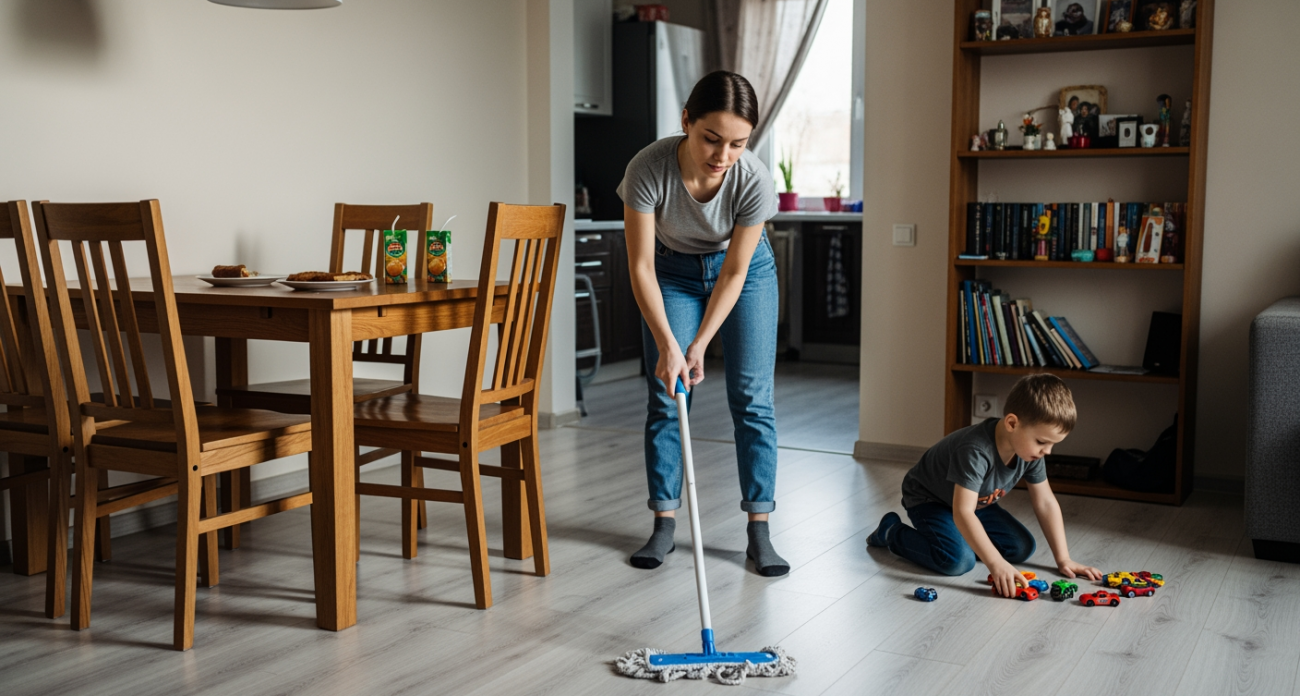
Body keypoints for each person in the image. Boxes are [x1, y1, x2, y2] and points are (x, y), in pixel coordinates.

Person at [617, 71, 787, 576]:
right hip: (669, 271)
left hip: (746, 274)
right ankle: (664, 524)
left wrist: (700, 344)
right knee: (668, 394)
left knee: (752, 399)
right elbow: (640, 266)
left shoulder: (753, 179)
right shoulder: (648, 169)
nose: (723, 156)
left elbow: (734, 272)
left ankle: (759, 531)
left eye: (738, 143)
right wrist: (670, 344)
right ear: (686, 121)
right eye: (712, 138)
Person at [866, 374, 1102, 597]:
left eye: (1052, 444)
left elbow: (1046, 502)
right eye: (1042, 442)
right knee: (958, 561)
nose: (1047, 451)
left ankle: (961, 537)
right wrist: (995, 563)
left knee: (1021, 547)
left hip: (973, 504)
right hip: (930, 500)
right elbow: (962, 512)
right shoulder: (975, 450)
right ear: (1012, 423)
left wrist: (1063, 559)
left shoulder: (1030, 453)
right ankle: (891, 531)